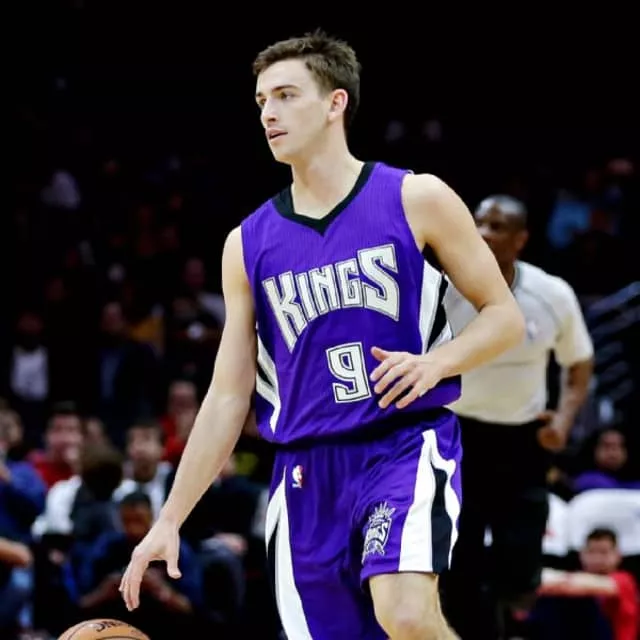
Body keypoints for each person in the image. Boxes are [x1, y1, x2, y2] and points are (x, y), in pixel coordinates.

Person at [119, 31, 524, 639]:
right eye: (261, 101)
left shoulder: (416, 197)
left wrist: (436, 363)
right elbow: (228, 395)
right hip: (305, 471)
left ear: (336, 103)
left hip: (402, 442)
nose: (269, 113)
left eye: (286, 95)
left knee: (406, 614)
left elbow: (503, 316)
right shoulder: (246, 244)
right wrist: (170, 518)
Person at [442, 195, 595, 639]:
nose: (484, 233)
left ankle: (511, 619)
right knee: (460, 557)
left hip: (522, 440)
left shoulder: (551, 294)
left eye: (497, 226)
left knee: (519, 564)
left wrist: (563, 421)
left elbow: (579, 363)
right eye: (479, 223)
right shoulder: (441, 289)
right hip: (455, 435)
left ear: (521, 239)